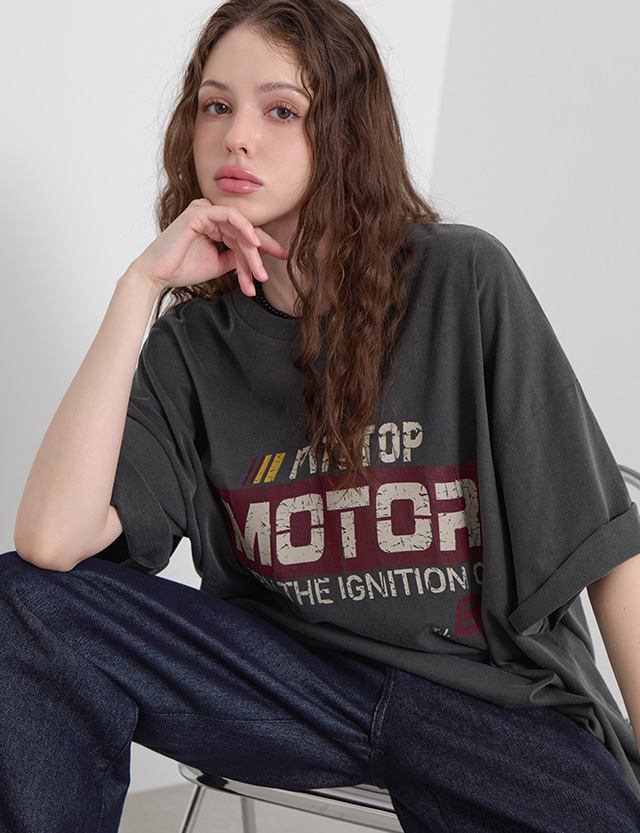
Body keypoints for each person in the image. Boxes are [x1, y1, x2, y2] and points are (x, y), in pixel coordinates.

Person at [3, 0, 640, 830]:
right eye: (216, 105)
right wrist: (139, 289)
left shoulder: (463, 281)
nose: (236, 136)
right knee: (25, 602)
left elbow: (607, 552)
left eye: (281, 110)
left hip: (485, 706)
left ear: (343, 132)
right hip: (291, 687)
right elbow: (51, 545)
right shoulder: (191, 346)